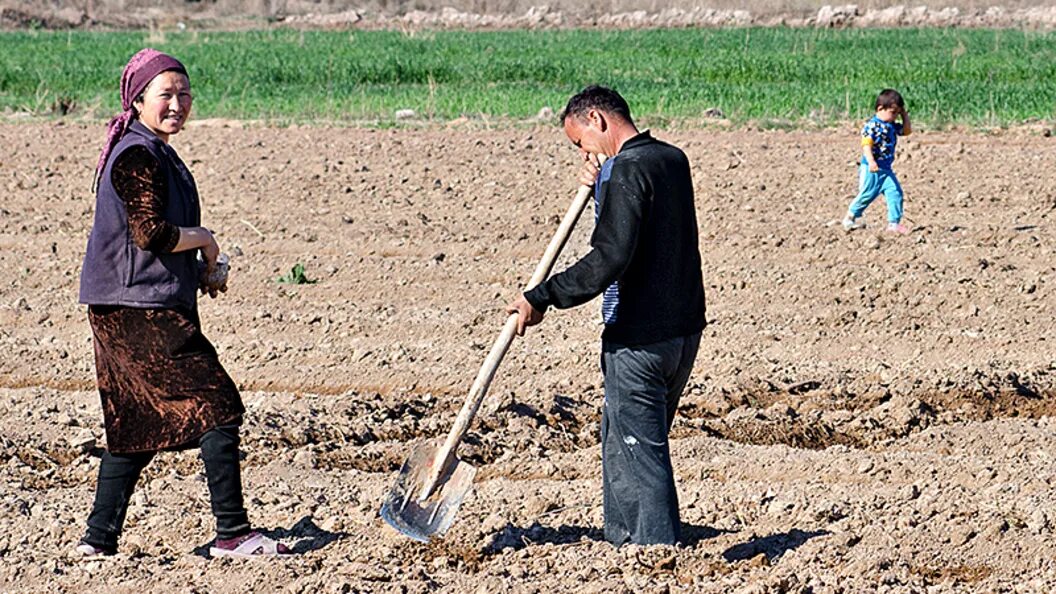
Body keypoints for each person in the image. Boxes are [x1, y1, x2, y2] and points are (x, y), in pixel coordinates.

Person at [75, 48, 289, 559]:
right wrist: (205, 240)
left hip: (129, 305)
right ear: (138, 99)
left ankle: (97, 540)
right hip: (138, 311)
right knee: (218, 404)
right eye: (165, 94)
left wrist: (199, 273)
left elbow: (148, 241)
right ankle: (233, 534)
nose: (177, 103)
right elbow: (151, 234)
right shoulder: (137, 154)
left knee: (136, 424)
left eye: (184, 93)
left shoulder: (154, 151)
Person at [506, 85, 706, 546]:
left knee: (640, 449)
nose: (583, 151)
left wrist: (542, 296)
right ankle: (623, 539)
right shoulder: (671, 159)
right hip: (683, 331)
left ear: (596, 119)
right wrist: (602, 186)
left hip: (639, 337)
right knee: (620, 439)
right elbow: (644, 229)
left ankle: (657, 550)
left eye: (580, 141)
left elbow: (608, 258)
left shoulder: (627, 171)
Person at [842, 89, 913, 234]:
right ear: (880, 108)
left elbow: (906, 131)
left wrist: (904, 115)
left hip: (886, 169)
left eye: (897, 113)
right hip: (872, 168)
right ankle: (850, 218)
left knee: (895, 192)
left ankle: (894, 223)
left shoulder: (891, 125)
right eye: (893, 112)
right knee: (867, 194)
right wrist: (871, 161)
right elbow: (866, 144)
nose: (895, 117)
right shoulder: (872, 126)